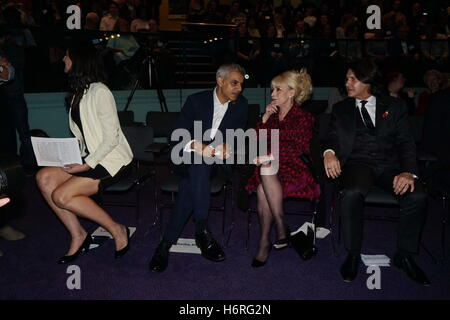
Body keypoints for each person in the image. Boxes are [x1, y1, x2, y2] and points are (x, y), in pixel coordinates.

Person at [323, 58, 430, 285]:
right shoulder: (341, 108)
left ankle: (405, 255)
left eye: (353, 78)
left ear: (368, 81)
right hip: (357, 165)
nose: (348, 83)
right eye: (346, 78)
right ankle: (352, 254)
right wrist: (329, 152)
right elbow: (331, 137)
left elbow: (406, 144)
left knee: (417, 194)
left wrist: (409, 172)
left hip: (389, 166)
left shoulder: (395, 107)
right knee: (352, 193)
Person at [35, 43, 133, 264]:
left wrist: (87, 164)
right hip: (89, 157)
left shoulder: (100, 91)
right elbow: (84, 136)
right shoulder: (79, 93)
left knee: (61, 196)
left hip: (112, 160)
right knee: (43, 177)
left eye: (67, 56)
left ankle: (117, 229)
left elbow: (112, 138)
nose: (63, 60)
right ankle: (78, 234)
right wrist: (69, 155)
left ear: (79, 61)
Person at [149, 63, 248, 273]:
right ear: (220, 81)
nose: (239, 88)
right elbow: (175, 134)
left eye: (241, 84)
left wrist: (229, 144)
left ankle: (165, 245)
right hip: (186, 161)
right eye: (234, 82)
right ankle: (202, 230)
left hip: (217, 165)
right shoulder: (196, 100)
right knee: (198, 165)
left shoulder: (241, 105)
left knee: (192, 182)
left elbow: (242, 136)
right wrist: (197, 145)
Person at [245, 69, 321, 267]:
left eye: (278, 90)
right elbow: (256, 141)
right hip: (268, 169)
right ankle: (277, 230)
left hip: (294, 167)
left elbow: (298, 148)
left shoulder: (304, 117)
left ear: (291, 92)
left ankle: (268, 239)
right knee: (264, 181)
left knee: (264, 181)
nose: (272, 94)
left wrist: (269, 156)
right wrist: (263, 120)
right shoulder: (271, 115)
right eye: (272, 90)